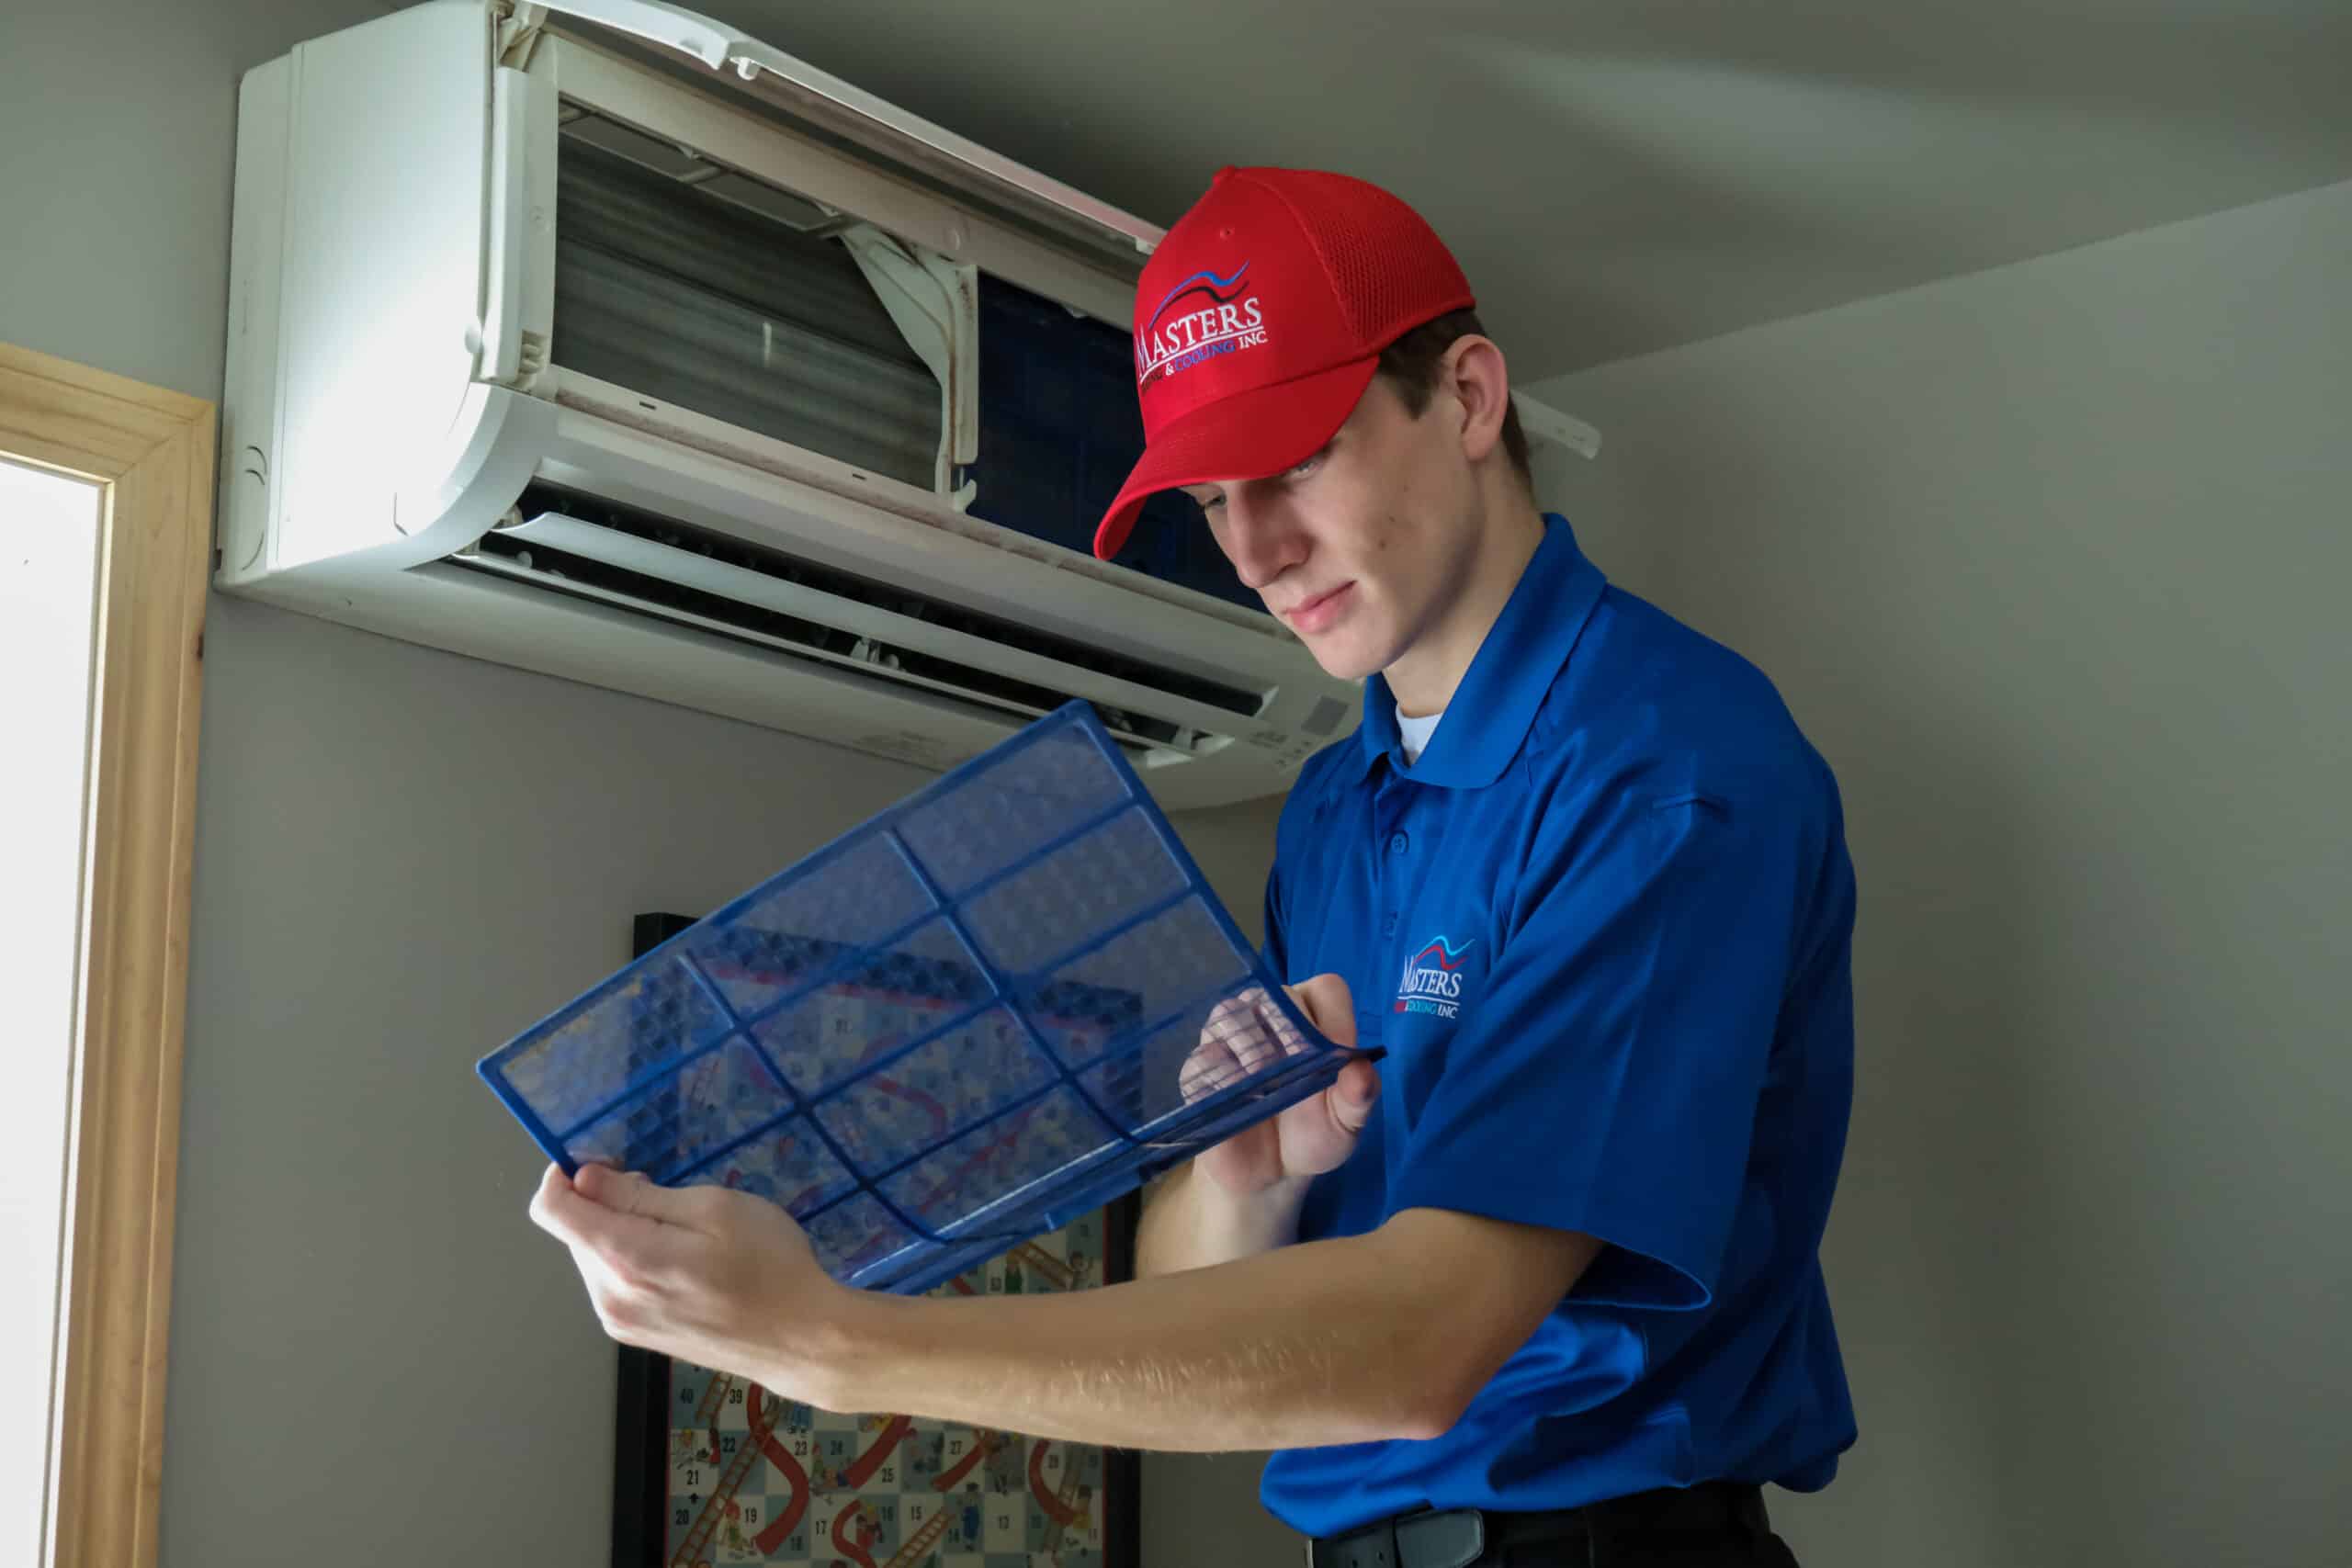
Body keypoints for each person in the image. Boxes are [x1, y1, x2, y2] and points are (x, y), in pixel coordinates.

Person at [529, 164, 1858, 1568]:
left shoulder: (1661, 770)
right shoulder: (1339, 799)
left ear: (1467, 399)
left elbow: (1426, 1342)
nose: (1256, 553)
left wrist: (837, 1343)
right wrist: (1246, 1178)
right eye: (1217, 497)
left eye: (1295, 464)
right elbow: (1193, 1272)